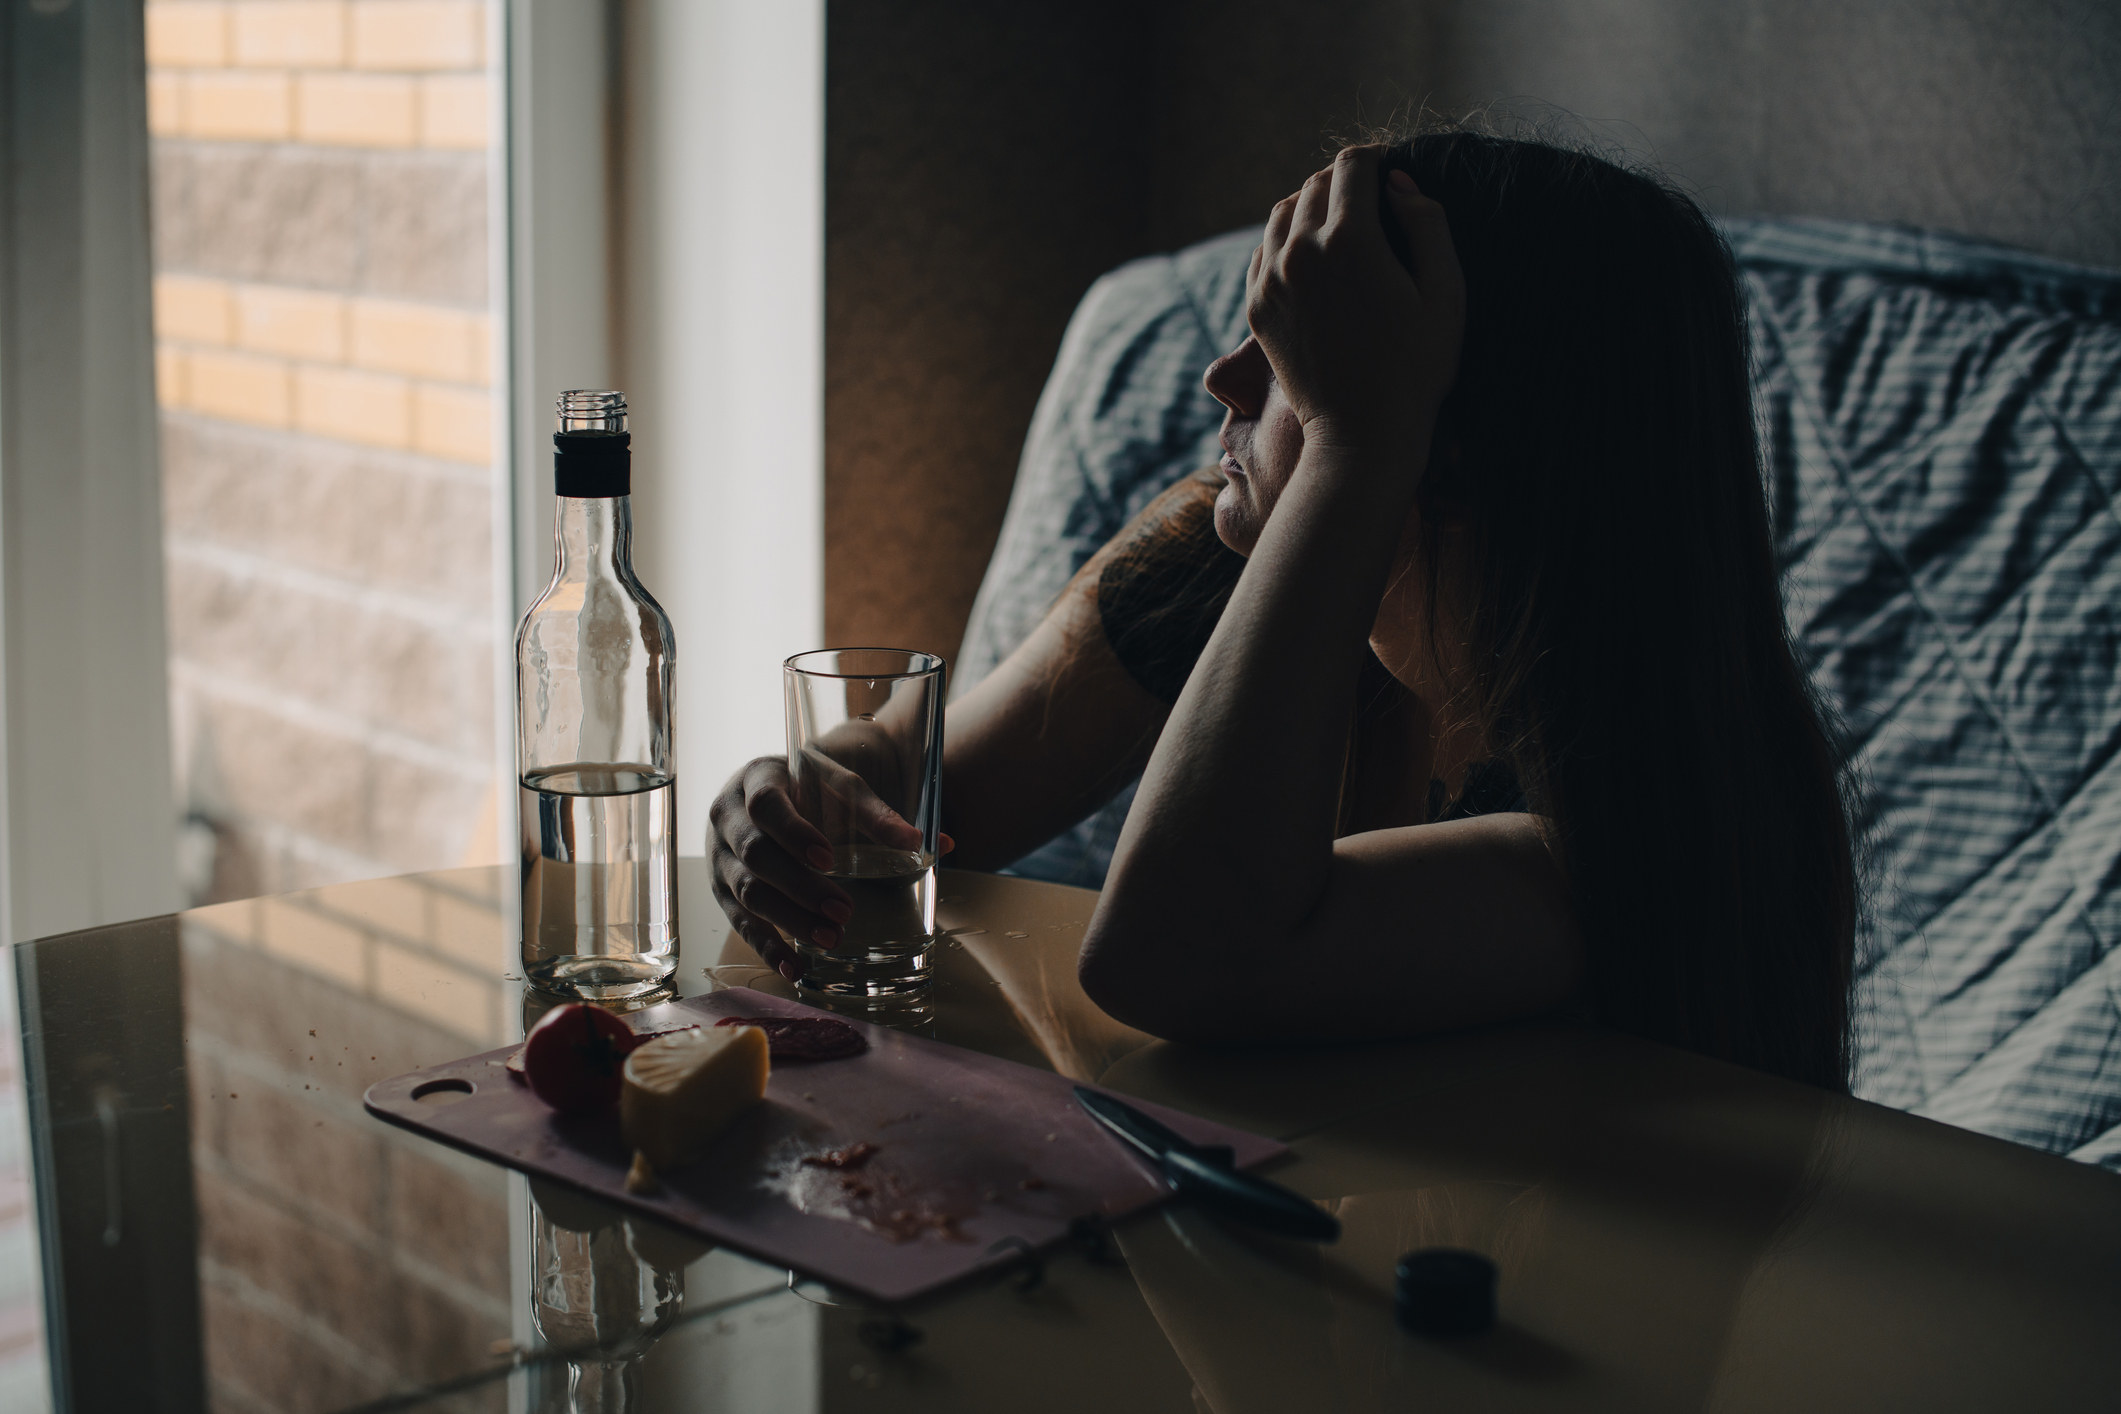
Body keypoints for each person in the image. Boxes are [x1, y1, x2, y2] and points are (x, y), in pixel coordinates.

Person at [710, 130, 1858, 1091]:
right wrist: (796, 796)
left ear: (1442, 433)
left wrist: (1353, 449)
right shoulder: (1237, 543)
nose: (1221, 380)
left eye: (1298, 358)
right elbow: (933, 787)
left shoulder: (1652, 813)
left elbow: (1173, 958)